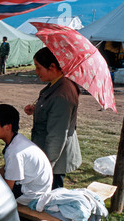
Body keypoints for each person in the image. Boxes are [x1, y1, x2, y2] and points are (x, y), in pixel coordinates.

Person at [24, 47, 82, 189]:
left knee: (51, 197)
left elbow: (57, 136)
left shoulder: (62, 94)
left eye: (38, 68)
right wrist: (37, 108)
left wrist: (46, 166)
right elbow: (50, 110)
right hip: (47, 151)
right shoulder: (56, 84)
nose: (36, 72)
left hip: (54, 159)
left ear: (52, 66)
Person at [0, 104, 53, 205]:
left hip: (33, 195)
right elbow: (7, 168)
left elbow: (8, 189)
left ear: (8, 127)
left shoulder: (15, 151)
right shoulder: (17, 140)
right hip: (37, 188)